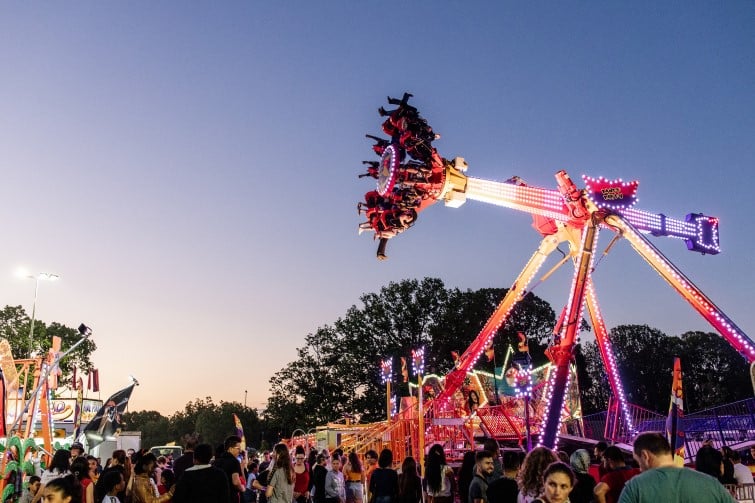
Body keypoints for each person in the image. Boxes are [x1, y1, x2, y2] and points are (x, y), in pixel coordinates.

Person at [618, 432, 736, 503]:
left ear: (645, 455)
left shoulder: (635, 487)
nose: (640, 469)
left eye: (638, 462)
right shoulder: (711, 484)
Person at [214, 435, 246, 503]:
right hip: (231, 498)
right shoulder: (234, 461)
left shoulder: (216, 462)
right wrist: (242, 488)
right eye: (238, 448)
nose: (240, 451)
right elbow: (236, 482)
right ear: (230, 448)